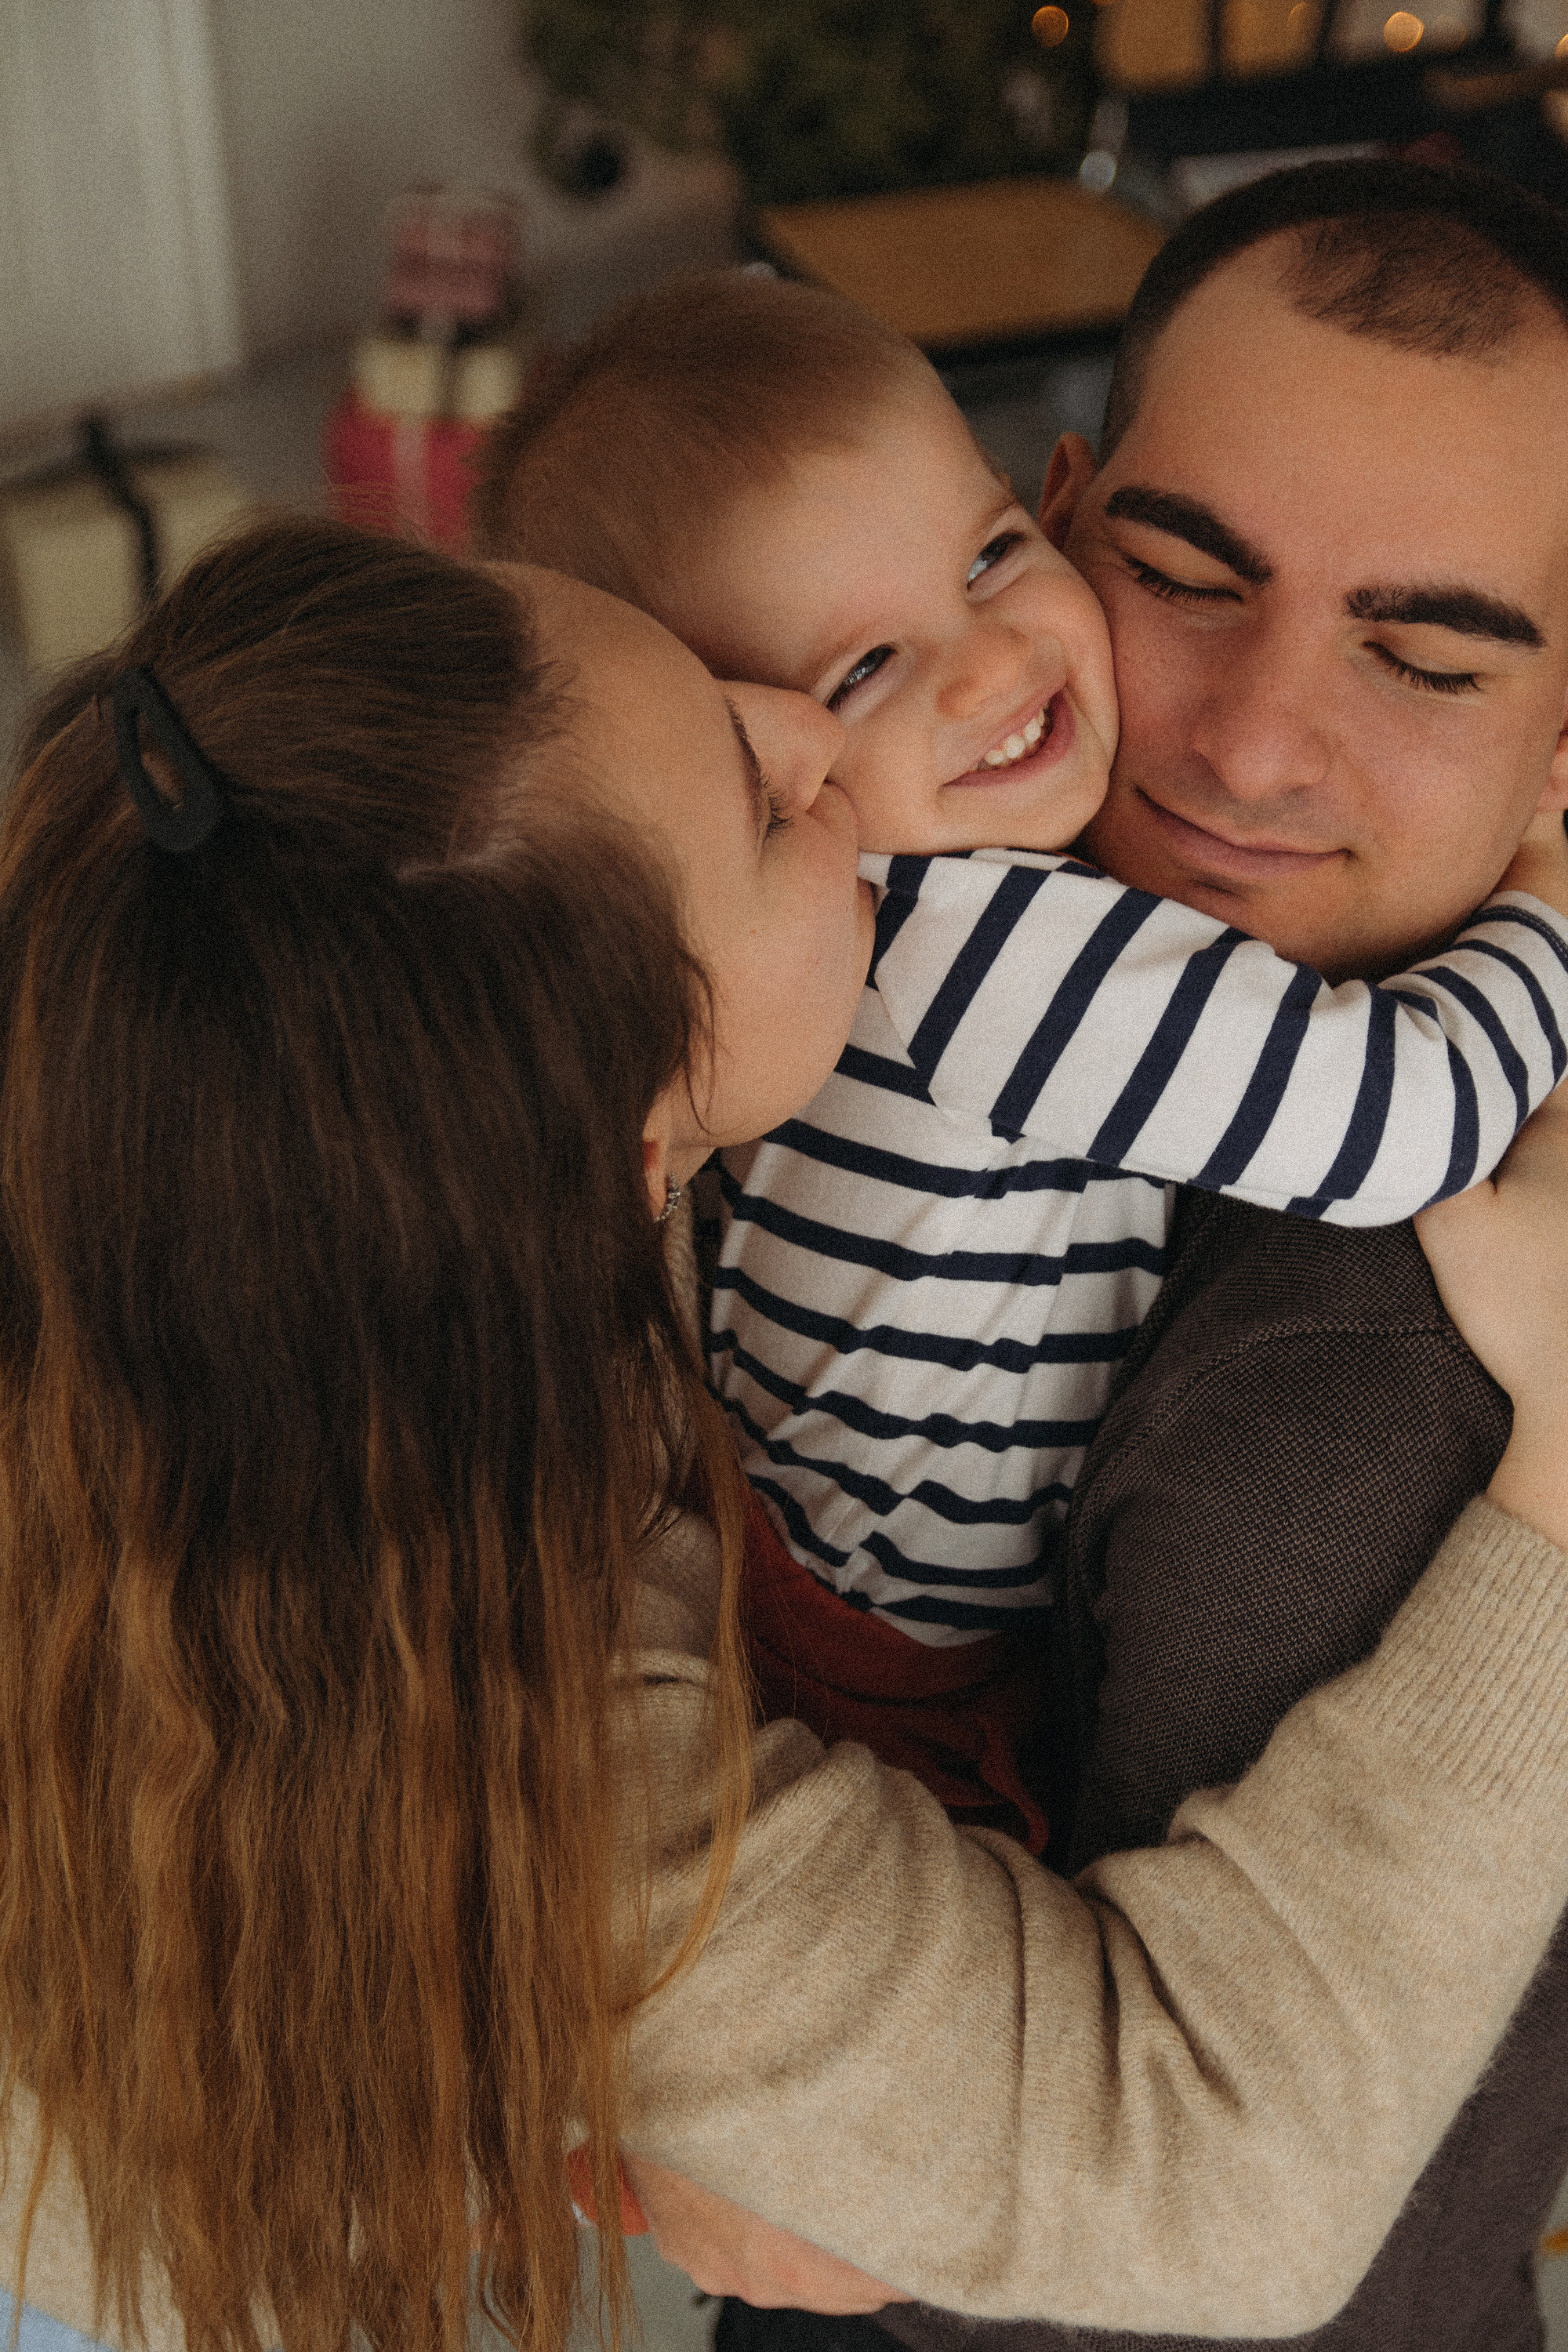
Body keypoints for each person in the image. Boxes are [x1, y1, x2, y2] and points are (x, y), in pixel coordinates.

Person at [4, 516, 1568, 2352]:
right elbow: (1219, 2181)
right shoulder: (547, 1778)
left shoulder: (281, 1170)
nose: (818, 737)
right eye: (763, 812)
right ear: (631, 1157)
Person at [639, 159, 1568, 2352]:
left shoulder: (1374, 1364)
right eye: (1173, 574)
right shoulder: (830, 898)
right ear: (1046, 522)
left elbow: (1130, 2236)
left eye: (1427, 656)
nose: (1249, 740)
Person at [476, 263, 1568, 1859]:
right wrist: (1547, 900)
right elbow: (1397, 1117)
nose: (989, 668)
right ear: (739, 745)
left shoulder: (858, 916)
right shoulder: (970, 946)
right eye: (859, 673)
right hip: (888, 1669)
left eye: (989, 560)